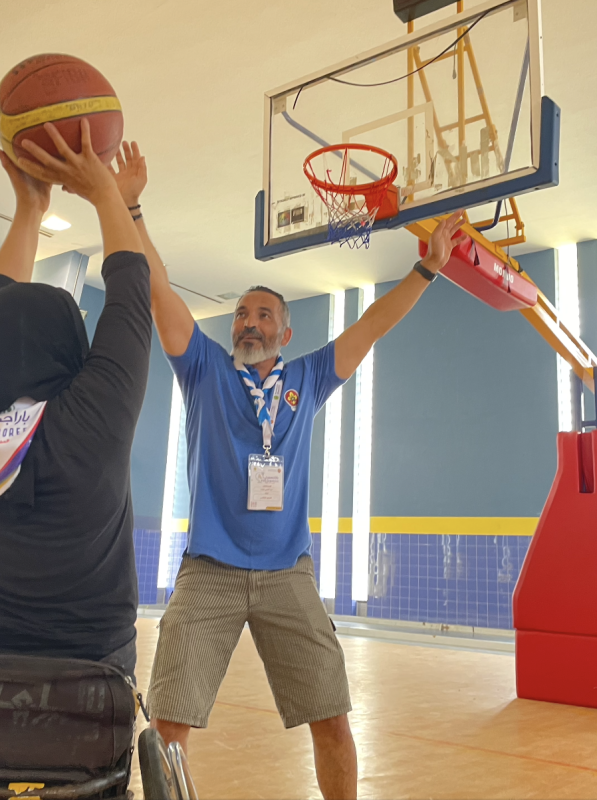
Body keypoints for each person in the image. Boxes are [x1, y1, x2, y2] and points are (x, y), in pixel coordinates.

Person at [105, 142, 465, 798]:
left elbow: (371, 327)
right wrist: (132, 205)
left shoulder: (308, 377)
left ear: (284, 334)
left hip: (287, 575)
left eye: (262, 314)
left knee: (331, 716)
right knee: (167, 726)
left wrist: (425, 271)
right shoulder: (205, 370)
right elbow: (157, 285)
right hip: (208, 571)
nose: (248, 320)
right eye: (242, 313)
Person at [0, 120, 152, 682]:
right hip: (86, 677)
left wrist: (30, 211)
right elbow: (131, 295)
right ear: (71, 350)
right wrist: (107, 195)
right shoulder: (91, 422)